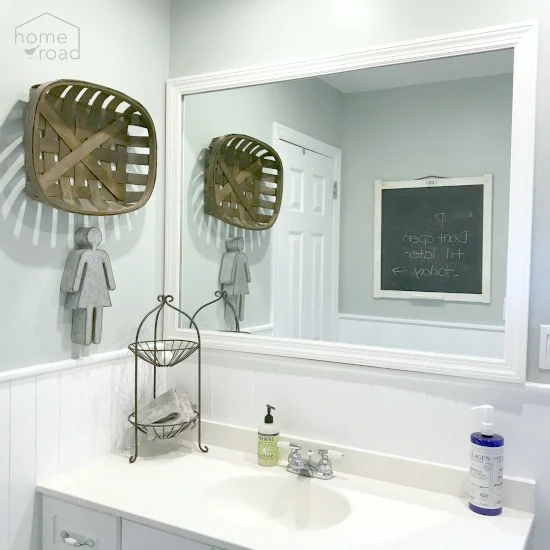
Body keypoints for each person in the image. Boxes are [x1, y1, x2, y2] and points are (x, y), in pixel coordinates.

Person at [61, 227, 116, 345]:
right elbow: (78, 270)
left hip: (97, 289)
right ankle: (88, 338)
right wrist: (73, 286)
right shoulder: (85, 254)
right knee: (88, 312)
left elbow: (109, 273)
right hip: (88, 289)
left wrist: (111, 285)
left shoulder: (101, 255)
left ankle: (95, 337)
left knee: (96, 312)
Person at [219, 237, 251, 327]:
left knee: (238, 304)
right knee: (233, 305)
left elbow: (246, 270)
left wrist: (227, 280)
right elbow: (228, 273)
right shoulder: (233, 256)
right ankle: (233, 321)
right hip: (236, 286)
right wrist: (248, 279)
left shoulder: (235, 256)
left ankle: (236, 320)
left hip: (236, 285)